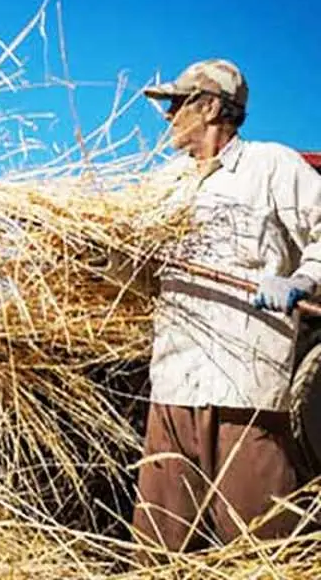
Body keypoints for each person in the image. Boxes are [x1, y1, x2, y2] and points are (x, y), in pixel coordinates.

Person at [130, 58, 321, 554]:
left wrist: (301, 278)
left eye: (176, 103)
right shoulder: (163, 187)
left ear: (211, 106)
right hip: (172, 388)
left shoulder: (271, 168)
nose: (167, 116)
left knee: (259, 549)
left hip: (246, 390)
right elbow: (128, 266)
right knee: (158, 549)